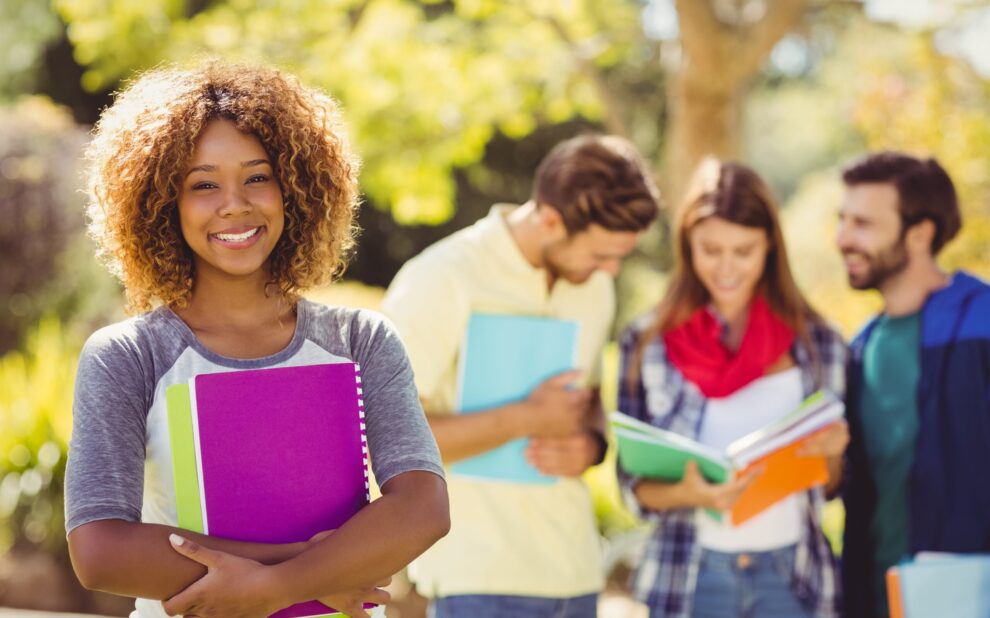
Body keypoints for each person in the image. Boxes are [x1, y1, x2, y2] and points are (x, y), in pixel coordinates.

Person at [63, 61, 449, 618]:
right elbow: (101, 551)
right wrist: (308, 573)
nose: (234, 203)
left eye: (258, 176)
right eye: (203, 184)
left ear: (295, 187)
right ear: (160, 202)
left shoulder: (361, 341)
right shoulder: (129, 356)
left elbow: (423, 509)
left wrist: (275, 586)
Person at [380, 134, 660, 617]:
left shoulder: (593, 288)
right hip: (475, 577)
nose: (611, 270)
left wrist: (591, 445)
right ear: (551, 220)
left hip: (574, 573)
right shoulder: (443, 276)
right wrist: (526, 416)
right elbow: (386, 438)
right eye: (599, 255)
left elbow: (587, 402)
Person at [617, 158, 848, 618]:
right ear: (687, 246)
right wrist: (693, 494)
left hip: (792, 577)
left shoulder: (819, 342)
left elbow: (832, 487)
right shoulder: (648, 342)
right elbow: (631, 487)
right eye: (710, 250)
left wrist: (834, 453)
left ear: (769, 248)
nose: (726, 268)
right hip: (690, 577)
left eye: (743, 251)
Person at [836, 152, 990, 618]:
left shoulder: (982, 322)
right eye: (842, 220)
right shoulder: (859, 348)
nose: (842, 239)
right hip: (876, 600)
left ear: (920, 233)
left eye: (863, 223)